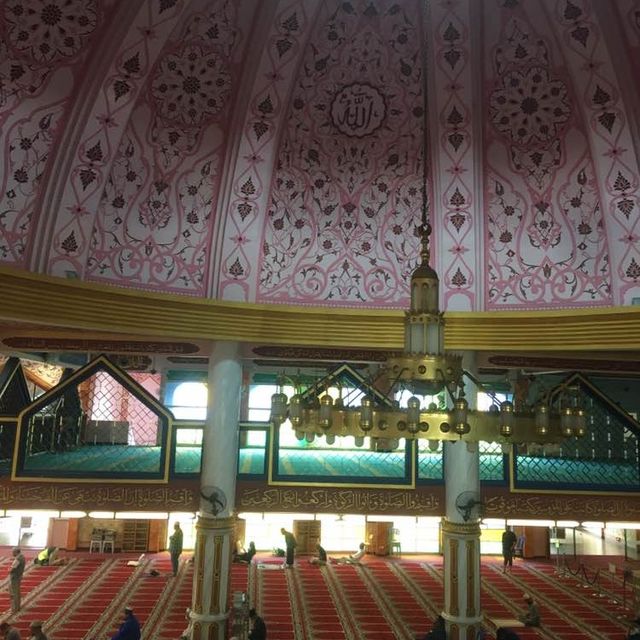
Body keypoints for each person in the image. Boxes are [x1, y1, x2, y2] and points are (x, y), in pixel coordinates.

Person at [8, 547, 25, 613]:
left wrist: (9, 569)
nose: (12, 553)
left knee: (13, 593)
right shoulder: (22, 557)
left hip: (14, 578)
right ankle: (17, 606)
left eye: (13, 552)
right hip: (18, 577)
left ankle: (14, 609)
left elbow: (12, 569)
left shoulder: (18, 559)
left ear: (16, 552)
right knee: (17, 592)